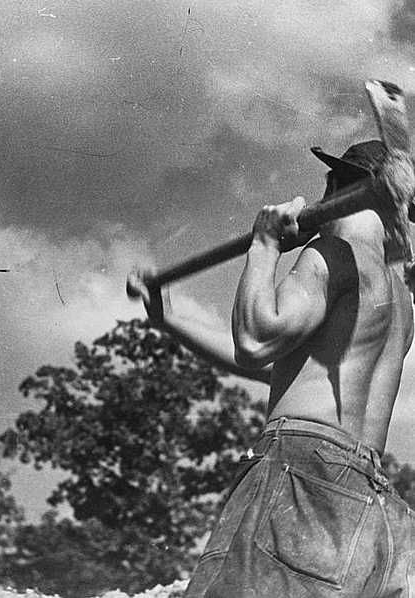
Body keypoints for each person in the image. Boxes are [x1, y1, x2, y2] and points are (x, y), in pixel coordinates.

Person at [127, 140, 415, 597]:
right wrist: (169, 322)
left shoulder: (333, 255)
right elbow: (285, 372)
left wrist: (264, 244)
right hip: (367, 498)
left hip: (301, 473)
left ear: (337, 185)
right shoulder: (399, 300)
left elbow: (255, 340)